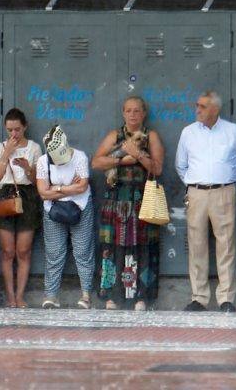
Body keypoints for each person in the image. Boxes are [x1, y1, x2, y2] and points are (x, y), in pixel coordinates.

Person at [175, 90, 236, 313]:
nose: (197, 109)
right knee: (196, 245)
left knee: (226, 245)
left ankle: (226, 298)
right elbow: (181, 166)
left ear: (215, 109)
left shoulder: (233, 131)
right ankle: (199, 297)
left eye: (202, 106)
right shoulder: (188, 132)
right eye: (197, 105)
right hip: (196, 192)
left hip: (224, 192)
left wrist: (229, 186)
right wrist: (193, 184)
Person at [91, 95, 165, 311]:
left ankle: (141, 297)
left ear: (144, 114)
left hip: (142, 201)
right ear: (123, 113)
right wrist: (122, 160)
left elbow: (157, 168)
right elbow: (96, 162)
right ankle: (111, 296)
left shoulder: (151, 136)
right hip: (115, 201)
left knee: (142, 248)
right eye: (129, 111)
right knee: (111, 249)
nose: (133, 115)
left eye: (137, 111)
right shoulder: (116, 135)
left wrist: (139, 154)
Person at [36, 125, 94, 309]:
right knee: (54, 253)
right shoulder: (43, 161)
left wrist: (56, 188)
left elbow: (82, 187)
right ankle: (51, 295)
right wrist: (68, 187)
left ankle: (86, 294)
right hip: (53, 210)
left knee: (83, 251)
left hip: (80, 206)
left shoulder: (80, 157)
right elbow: (43, 194)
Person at [0, 108, 42, 308]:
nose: (13, 134)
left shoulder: (34, 148)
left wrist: (27, 167)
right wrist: (6, 154)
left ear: (25, 127)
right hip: (5, 195)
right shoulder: (0, 146)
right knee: (7, 251)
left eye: (17, 130)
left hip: (27, 196)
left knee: (23, 251)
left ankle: (20, 296)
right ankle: (10, 297)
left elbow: (37, 180)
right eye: (10, 130)